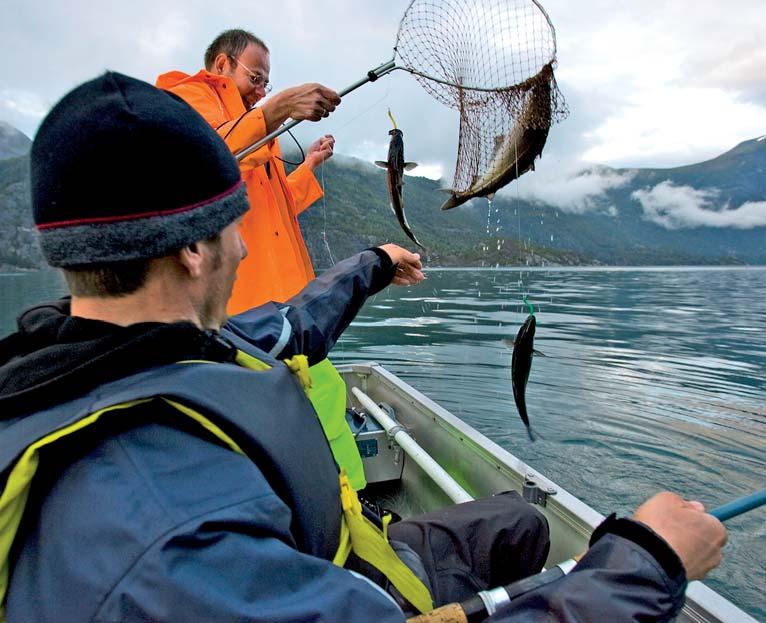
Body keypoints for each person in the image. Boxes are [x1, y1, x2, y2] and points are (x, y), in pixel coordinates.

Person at [0, 73, 726, 623]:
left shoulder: (119, 350)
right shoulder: (163, 537)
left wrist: (373, 264)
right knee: (563, 544)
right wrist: (647, 563)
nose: (246, 241)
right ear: (194, 249)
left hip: (349, 555)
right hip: (353, 593)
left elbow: (285, 327)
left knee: (521, 520)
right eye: (234, 224)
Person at [156, 29, 363, 490]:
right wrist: (279, 108)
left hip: (286, 302)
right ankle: (340, 503)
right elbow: (206, 158)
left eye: (268, 83)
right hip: (244, 308)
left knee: (316, 401)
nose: (261, 90)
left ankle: (343, 502)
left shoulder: (253, 126)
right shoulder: (187, 98)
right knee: (303, 408)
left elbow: (273, 204)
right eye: (256, 76)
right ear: (223, 65)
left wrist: (307, 165)